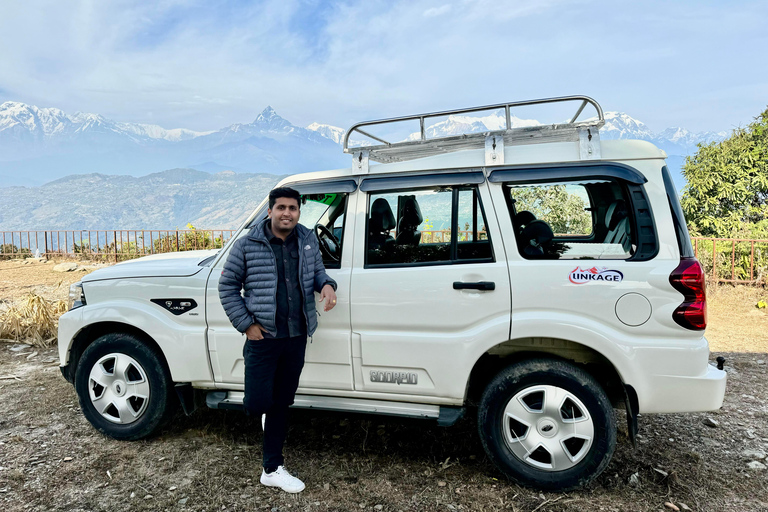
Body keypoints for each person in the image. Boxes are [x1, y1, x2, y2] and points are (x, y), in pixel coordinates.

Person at [218, 186, 337, 493]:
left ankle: (271, 468)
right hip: (263, 338)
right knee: (256, 403)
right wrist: (247, 325)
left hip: (296, 336)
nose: (287, 213)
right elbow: (227, 286)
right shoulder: (248, 245)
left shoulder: (307, 240)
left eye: (293, 208)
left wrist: (327, 285)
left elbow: (318, 272)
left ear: (299, 212)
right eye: (281, 207)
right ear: (269, 211)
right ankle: (266, 414)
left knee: (282, 401)